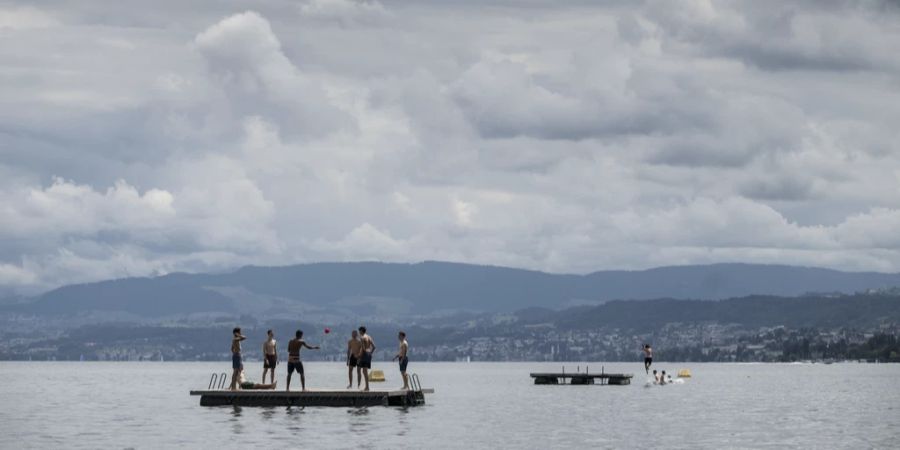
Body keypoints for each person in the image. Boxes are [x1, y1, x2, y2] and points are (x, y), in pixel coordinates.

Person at [358, 326, 376, 391]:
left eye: (359, 331)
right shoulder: (369, 337)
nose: (359, 332)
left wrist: (360, 356)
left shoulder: (362, 338)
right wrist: (370, 353)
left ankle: (367, 387)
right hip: (368, 354)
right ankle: (367, 387)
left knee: (364, 371)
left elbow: (363, 348)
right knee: (365, 371)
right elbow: (374, 347)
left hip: (364, 354)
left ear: (361, 331)